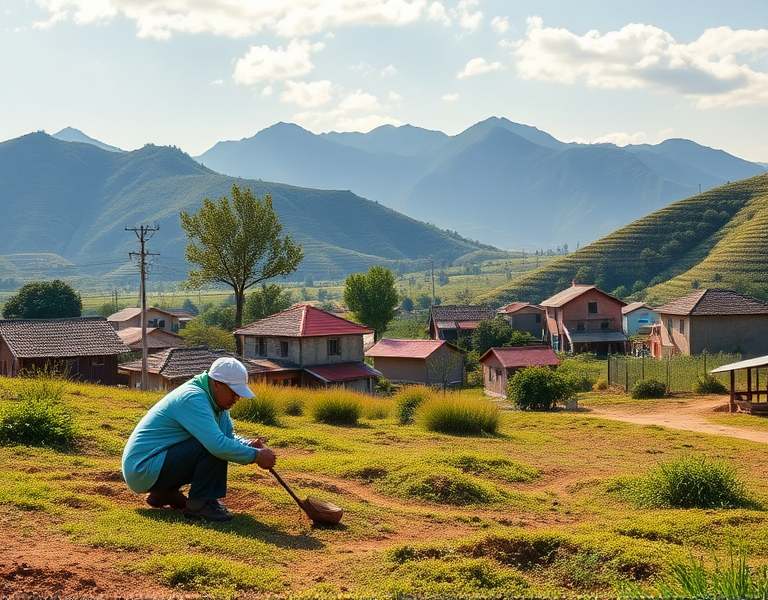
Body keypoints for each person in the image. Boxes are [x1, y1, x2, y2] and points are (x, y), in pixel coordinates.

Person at [122, 356, 277, 522]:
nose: (235, 400)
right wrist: (256, 456)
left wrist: (249, 445)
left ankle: (165, 493)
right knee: (211, 447)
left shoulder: (216, 402)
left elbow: (227, 437)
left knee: (213, 443)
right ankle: (200, 505)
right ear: (216, 384)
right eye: (233, 394)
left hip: (152, 466)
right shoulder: (193, 398)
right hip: (142, 468)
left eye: (238, 396)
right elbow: (217, 444)